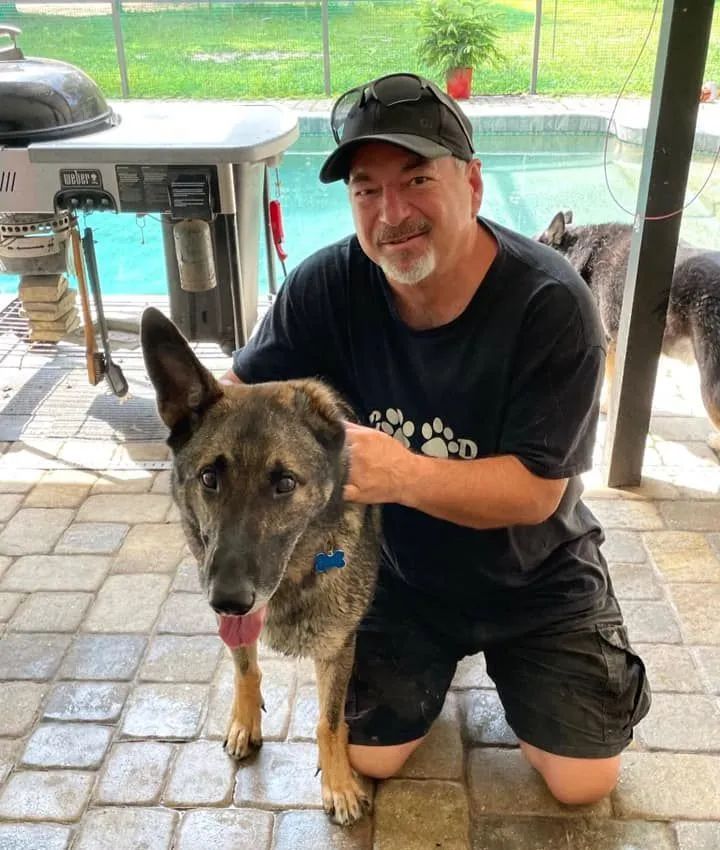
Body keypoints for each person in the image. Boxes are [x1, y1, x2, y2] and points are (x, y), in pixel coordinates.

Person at [222, 72, 651, 804]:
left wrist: (402, 475)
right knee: (374, 759)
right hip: (399, 576)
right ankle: (433, 669)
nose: (392, 213)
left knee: (582, 781)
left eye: (417, 178)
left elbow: (536, 492)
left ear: (474, 184)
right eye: (366, 190)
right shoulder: (326, 287)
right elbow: (242, 401)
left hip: (534, 577)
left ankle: (529, 666)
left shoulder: (553, 305)